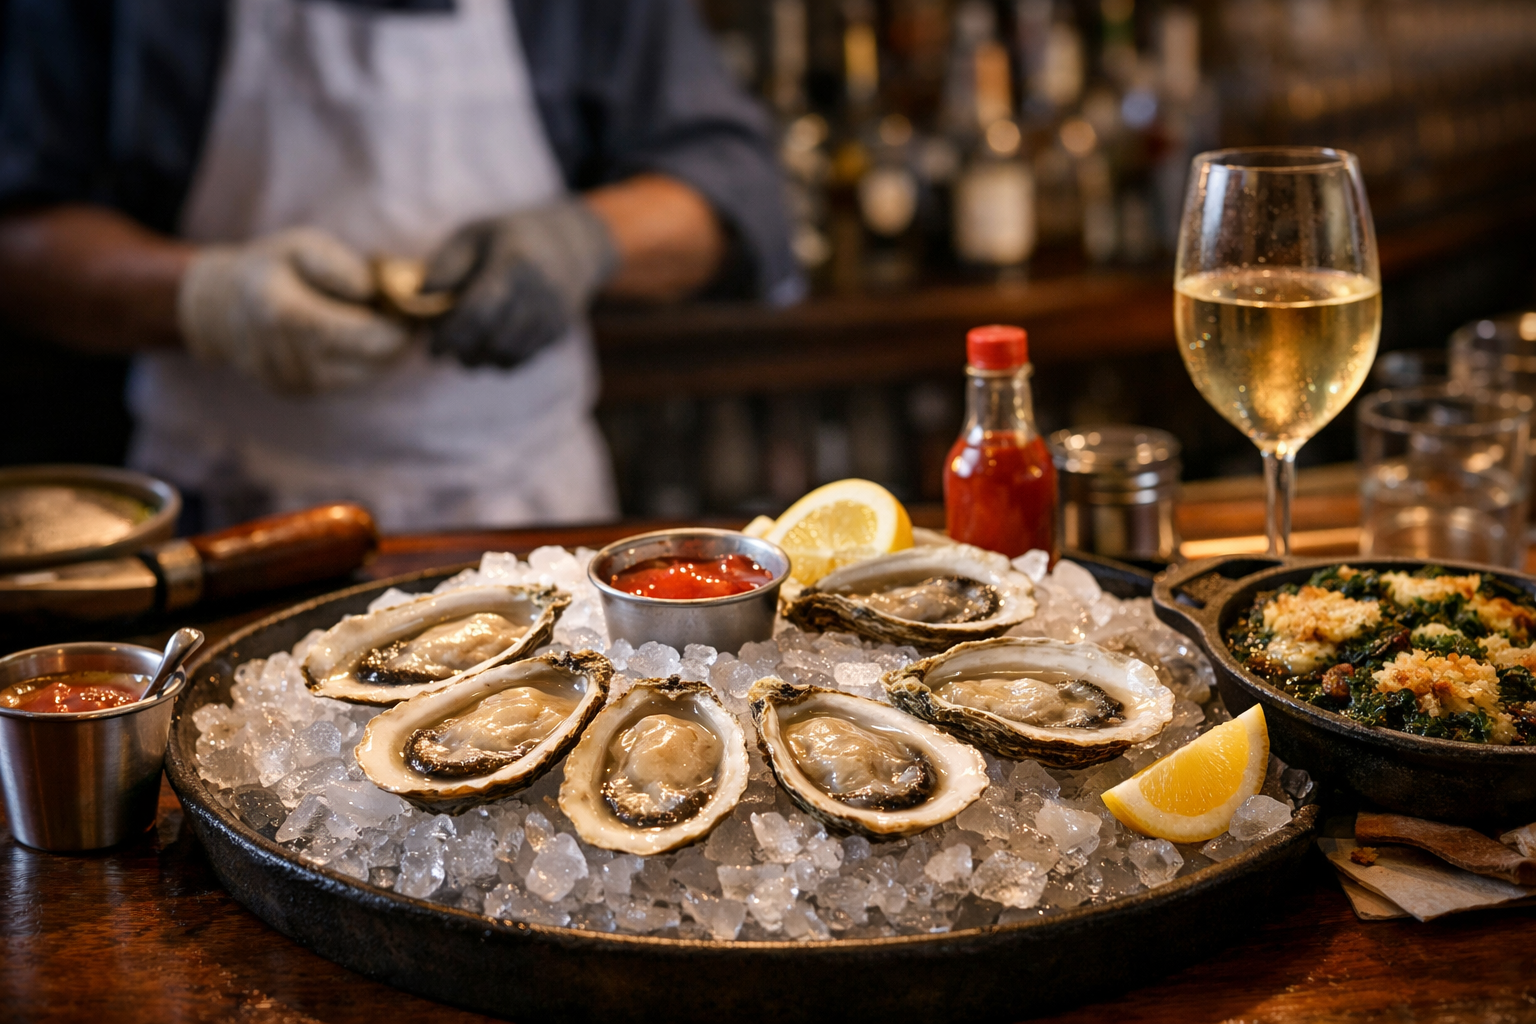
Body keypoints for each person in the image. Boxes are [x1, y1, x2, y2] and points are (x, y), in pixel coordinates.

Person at [0, 0, 798, 531]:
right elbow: (21, 236)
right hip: (230, 508)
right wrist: (204, 298)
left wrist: (586, 243)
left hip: (523, 509)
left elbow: (737, 186)